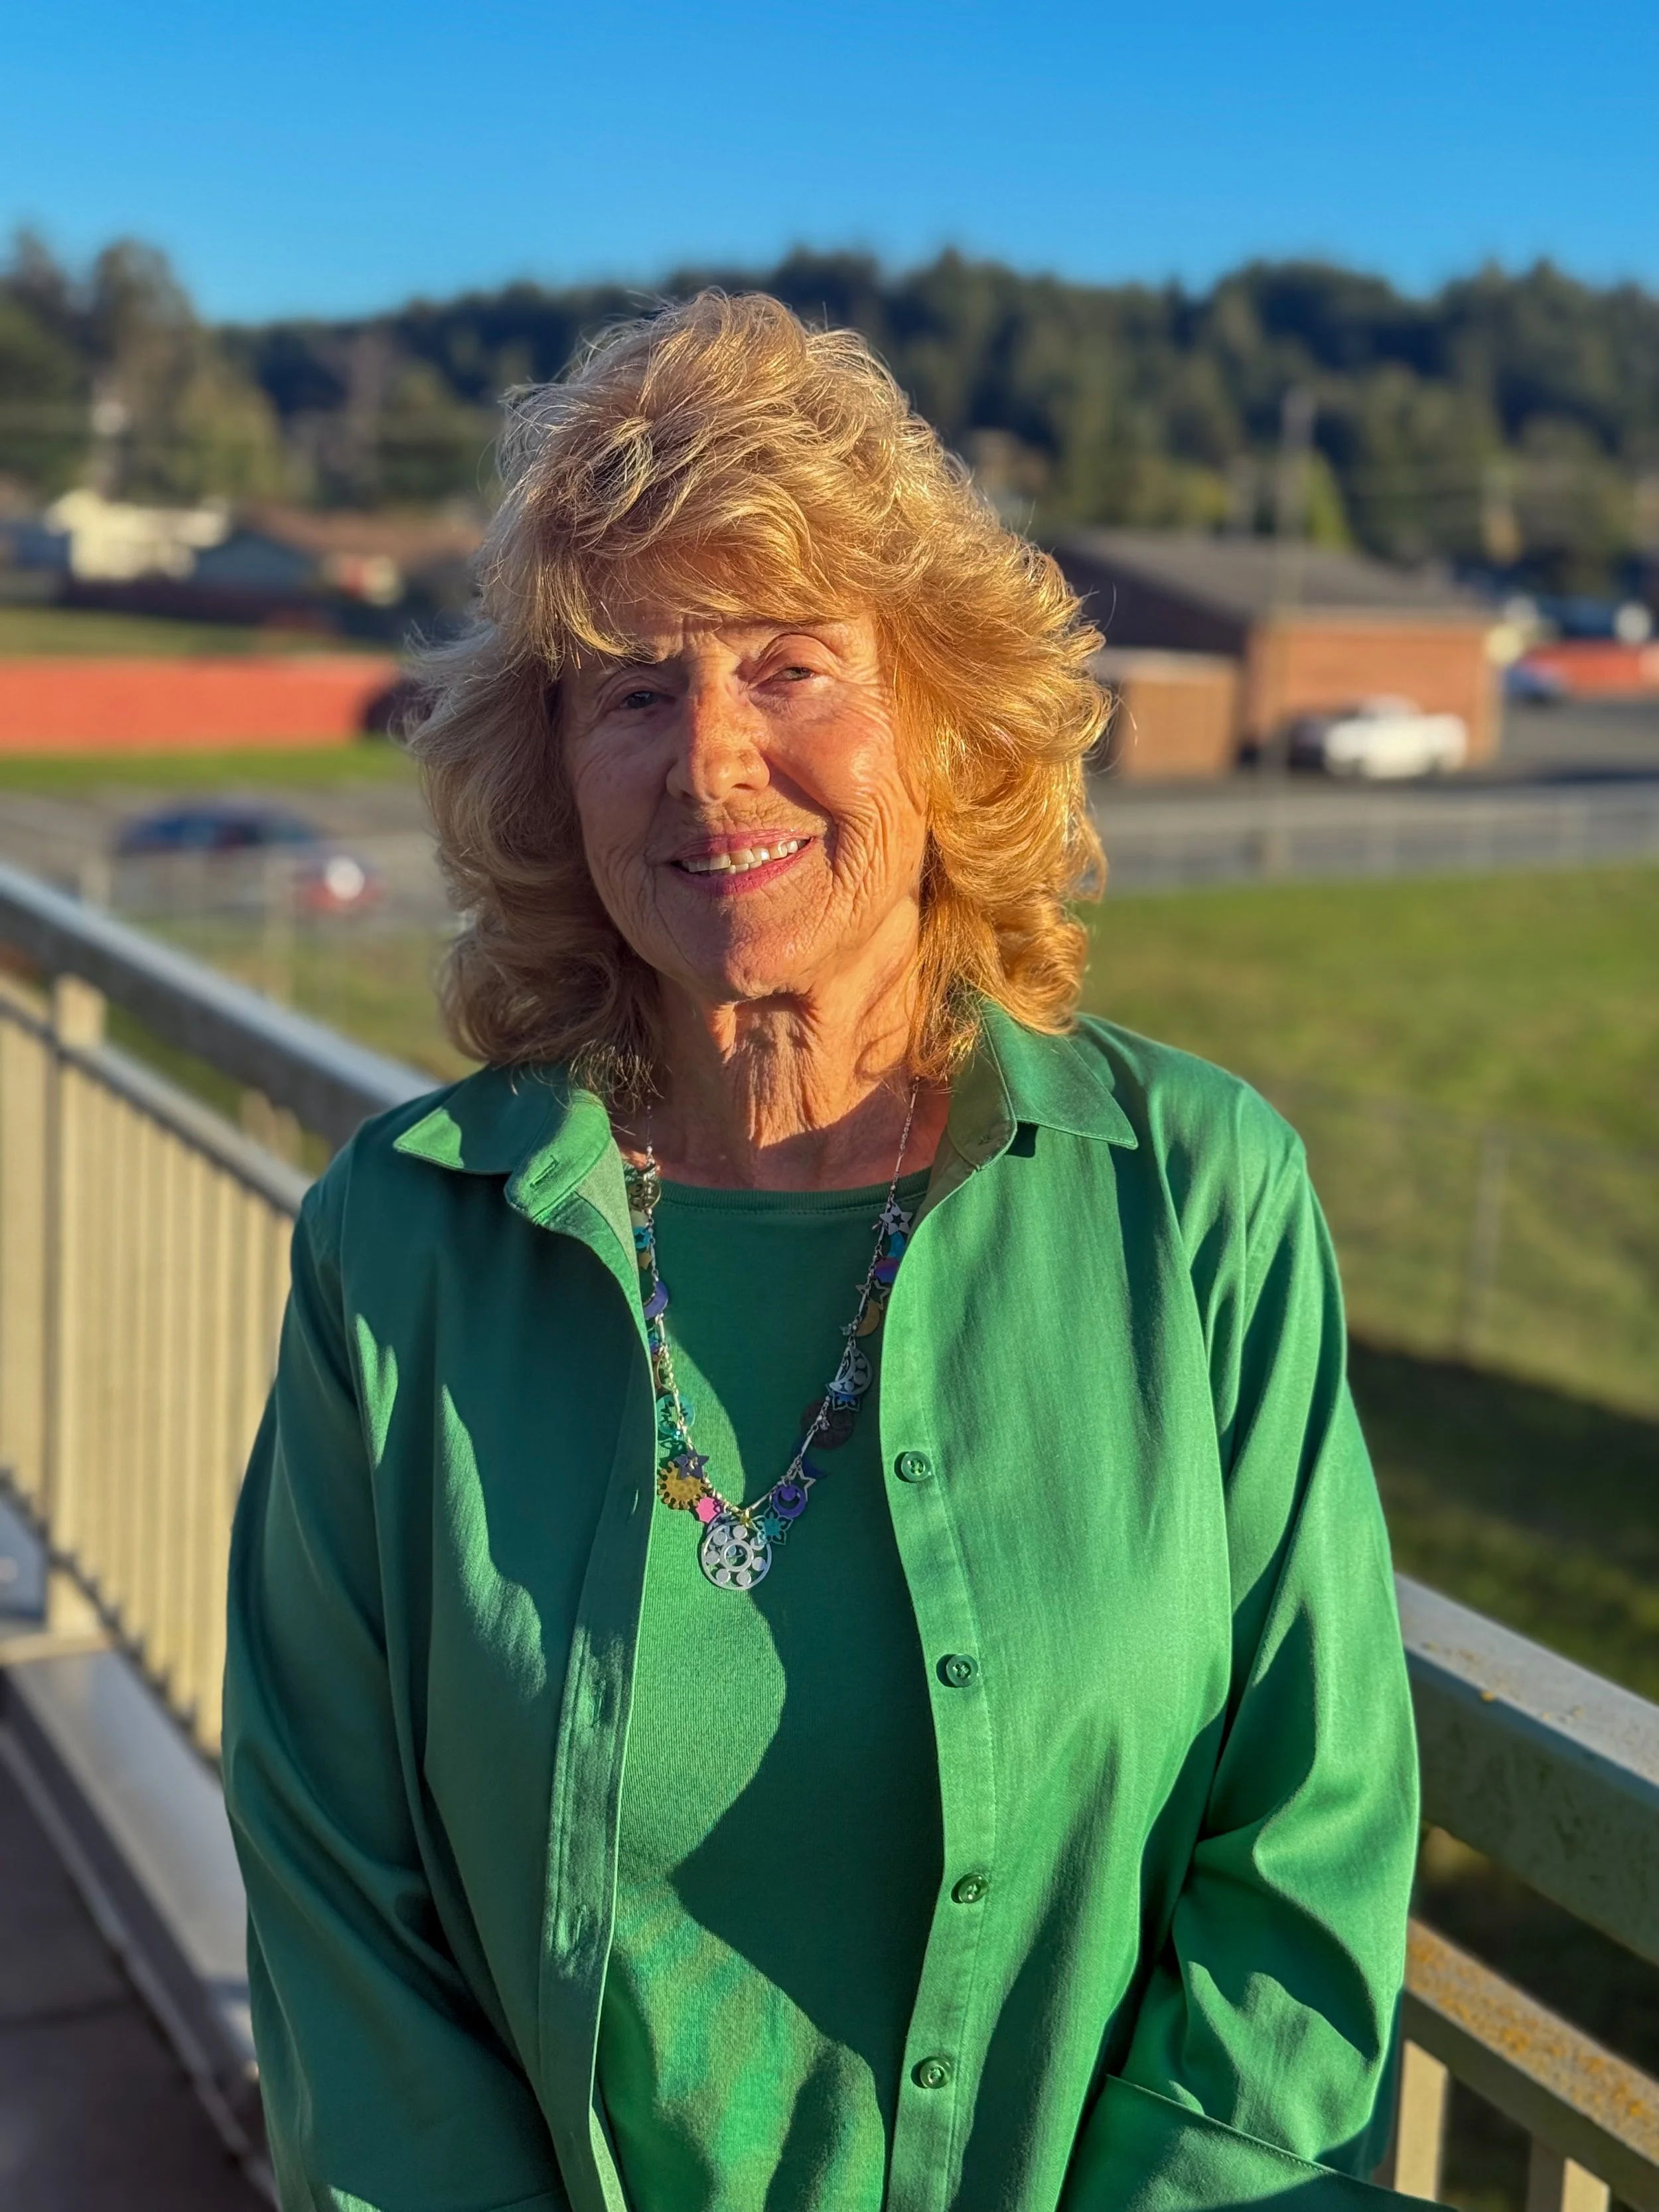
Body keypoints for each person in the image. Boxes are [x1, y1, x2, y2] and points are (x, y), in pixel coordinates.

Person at [222, 292, 1423, 2212]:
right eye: (631, 688)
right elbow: (334, 1912)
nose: (710, 763)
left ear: (939, 727)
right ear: (554, 767)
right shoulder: (403, 1248)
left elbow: (1310, 1835)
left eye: (791, 668)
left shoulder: (1194, 1196)